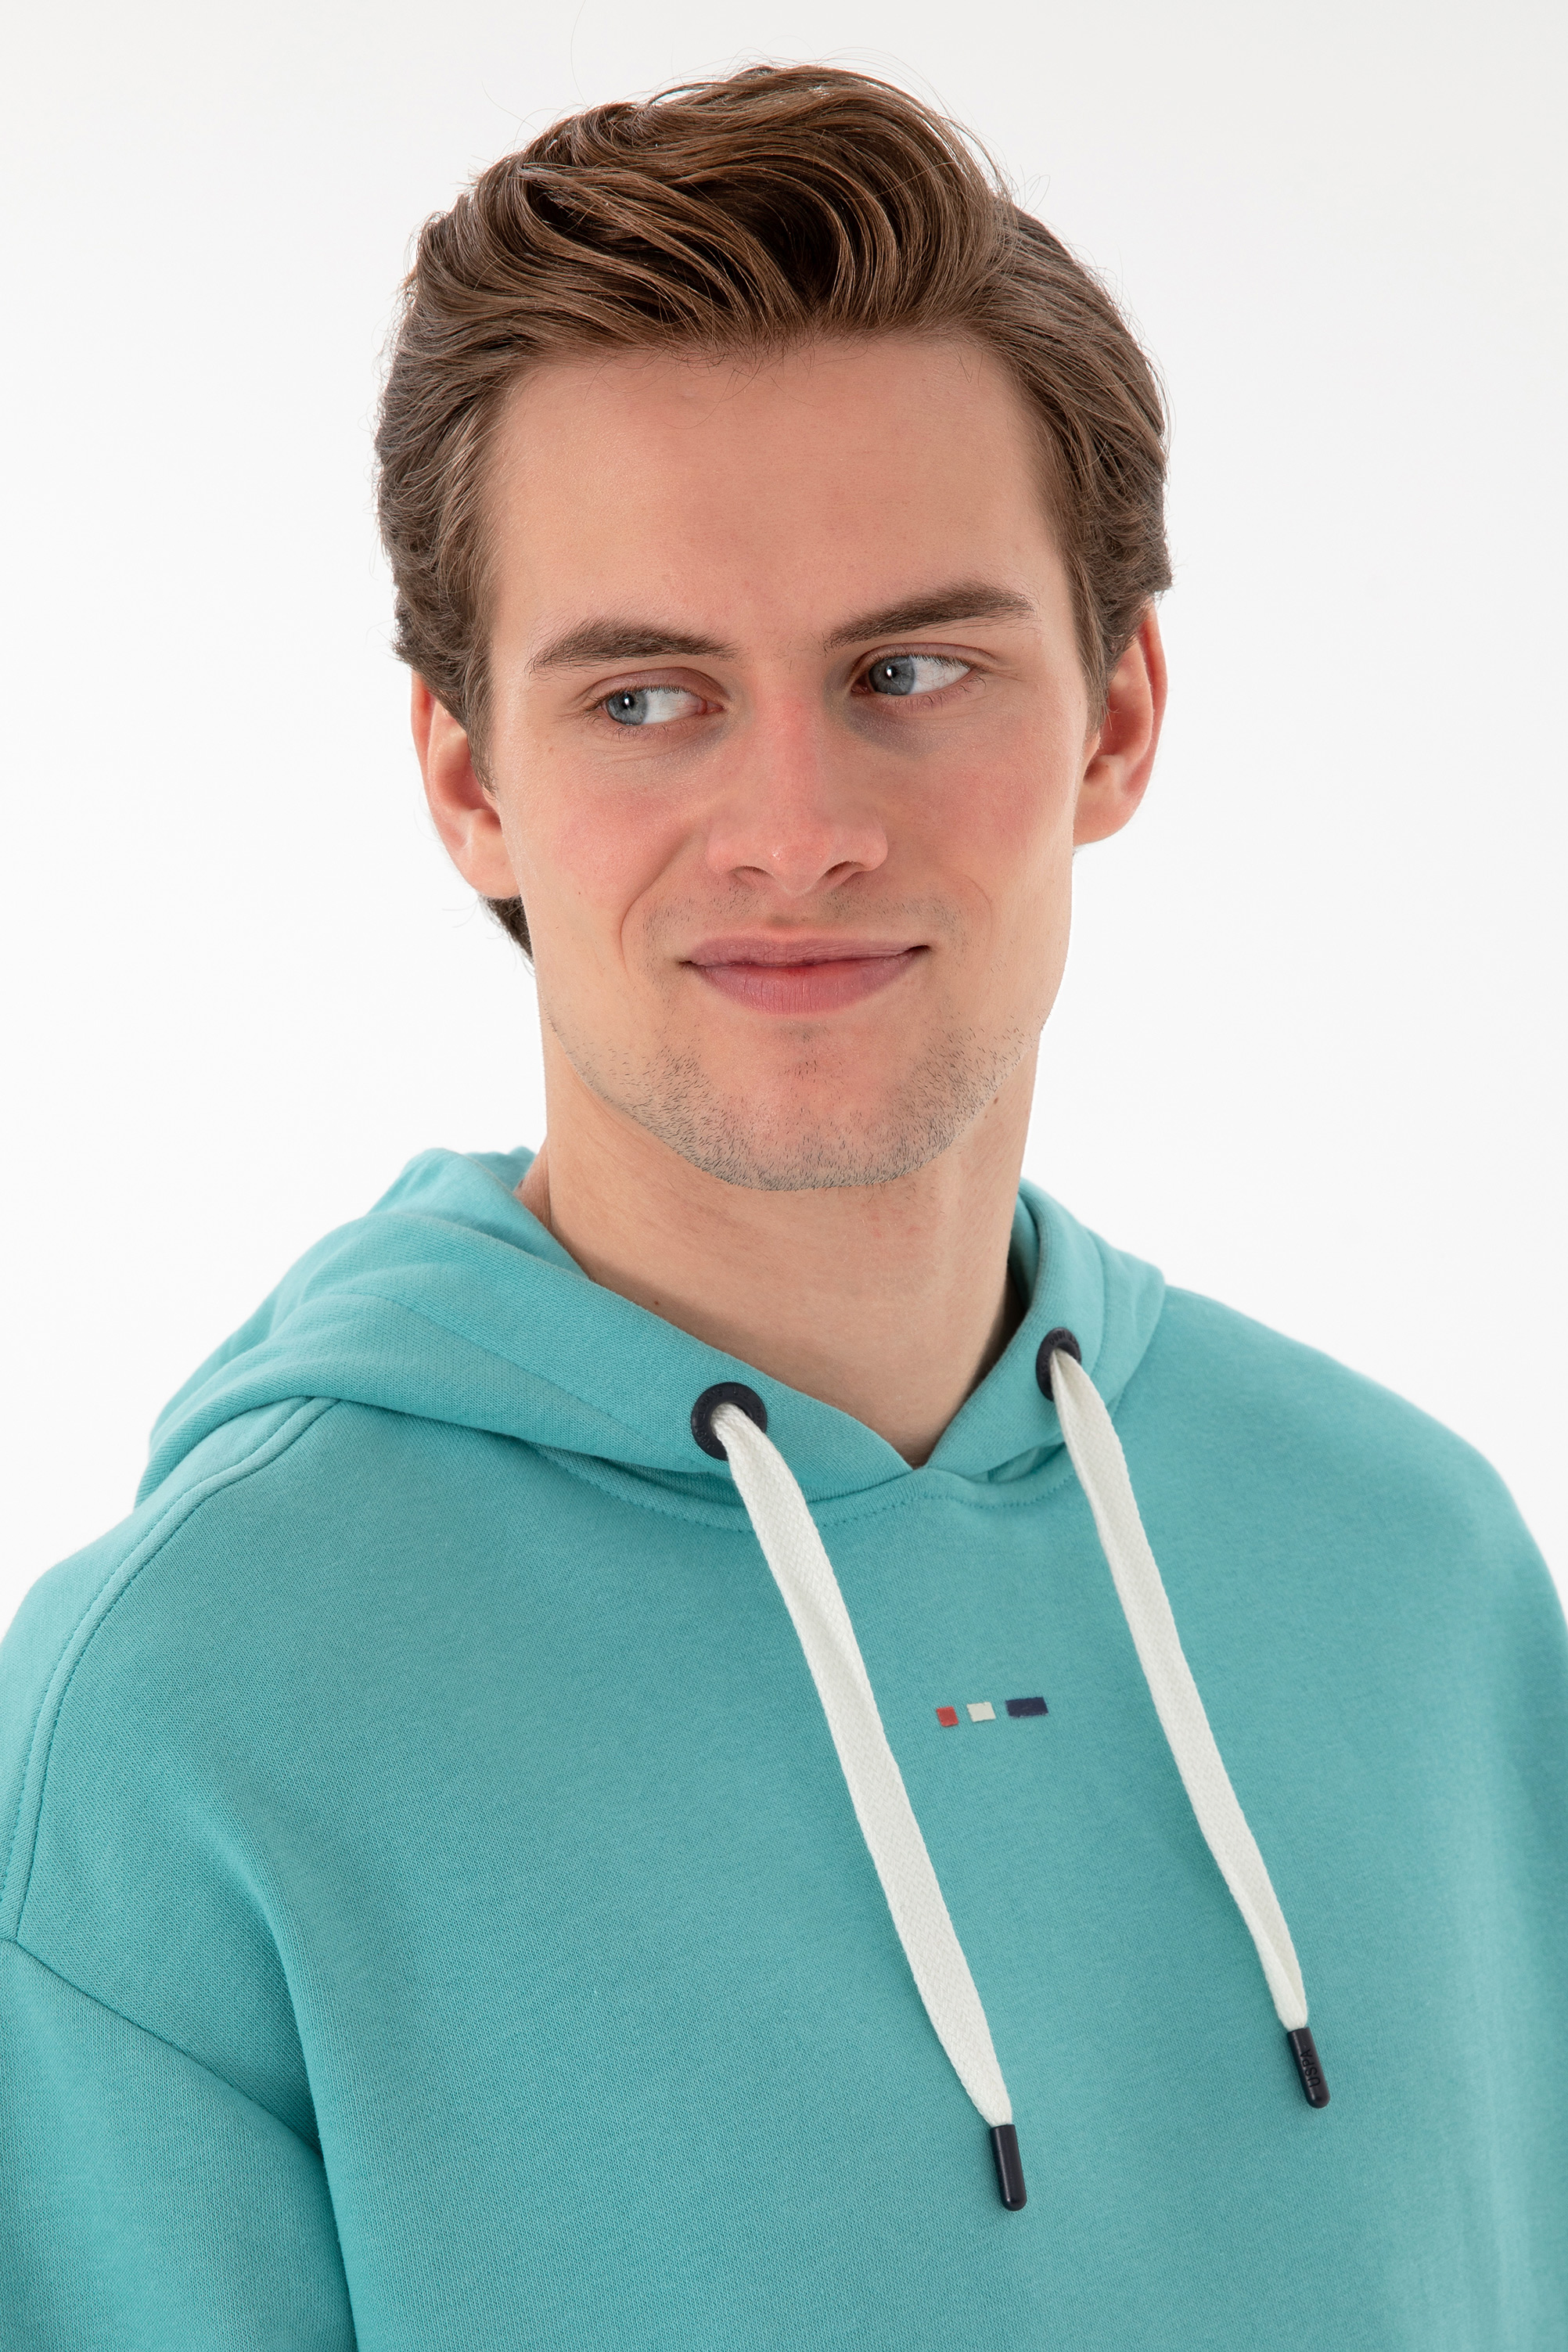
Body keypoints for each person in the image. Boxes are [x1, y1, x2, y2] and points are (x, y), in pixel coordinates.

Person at [2, 62, 1563, 2350]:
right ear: (469, 780)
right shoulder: (184, 1723)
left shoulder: (1419, 1577)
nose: (798, 825)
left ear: (1118, 714)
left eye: (909, 670)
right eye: (649, 698)